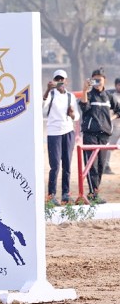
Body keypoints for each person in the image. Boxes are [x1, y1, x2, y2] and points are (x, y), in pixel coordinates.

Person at [78, 69, 120, 204]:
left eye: (99, 80)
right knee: (92, 166)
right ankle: (92, 194)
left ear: (104, 81)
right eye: (94, 80)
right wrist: (84, 90)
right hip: (90, 135)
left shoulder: (109, 96)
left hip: (105, 136)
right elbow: (84, 108)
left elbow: (118, 110)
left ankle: (94, 192)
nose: (97, 82)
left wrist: (109, 120)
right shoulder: (89, 95)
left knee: (101, 166)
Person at [42, 69, 79, 205]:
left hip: (68, 131)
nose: (60, 82)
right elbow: (42, 106)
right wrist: (46, 90)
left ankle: (65, 194)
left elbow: (77, 116)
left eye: (62, 79)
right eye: (57, 79)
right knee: (55, 165)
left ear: (66, 81)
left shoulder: (71, 96)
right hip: (54, 133)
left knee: (67, 165)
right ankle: (51, 195)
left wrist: (72, 114)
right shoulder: (51, 94)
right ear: (54, 81)